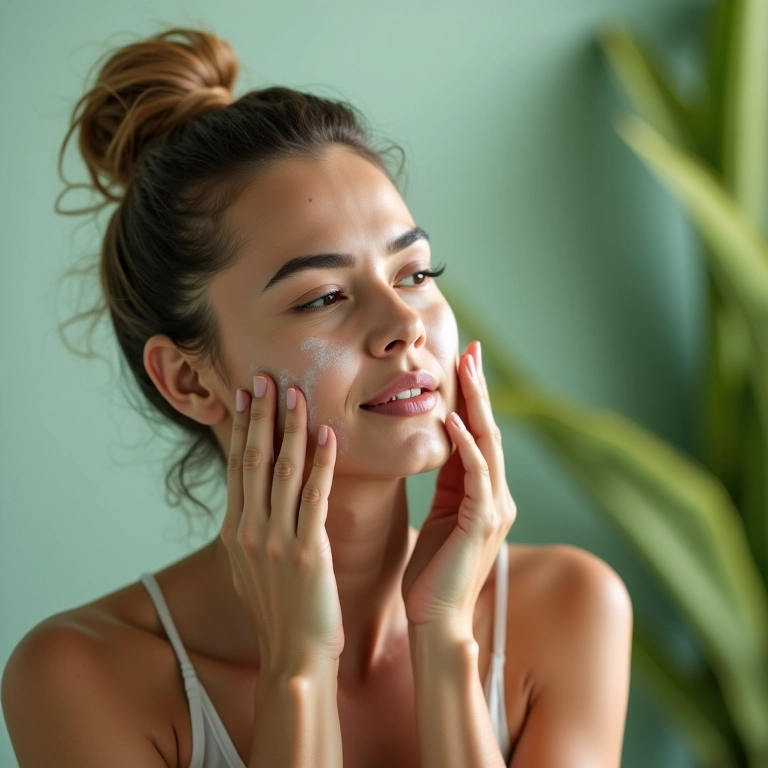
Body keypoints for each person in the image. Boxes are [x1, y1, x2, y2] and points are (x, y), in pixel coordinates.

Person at [1, 27, 633, 768]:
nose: (404, 326)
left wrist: (445, 640)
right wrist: (298, 671)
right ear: (189, 379)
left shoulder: (569, 609)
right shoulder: (82, 676)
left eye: (415, 274)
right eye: (325, 295)